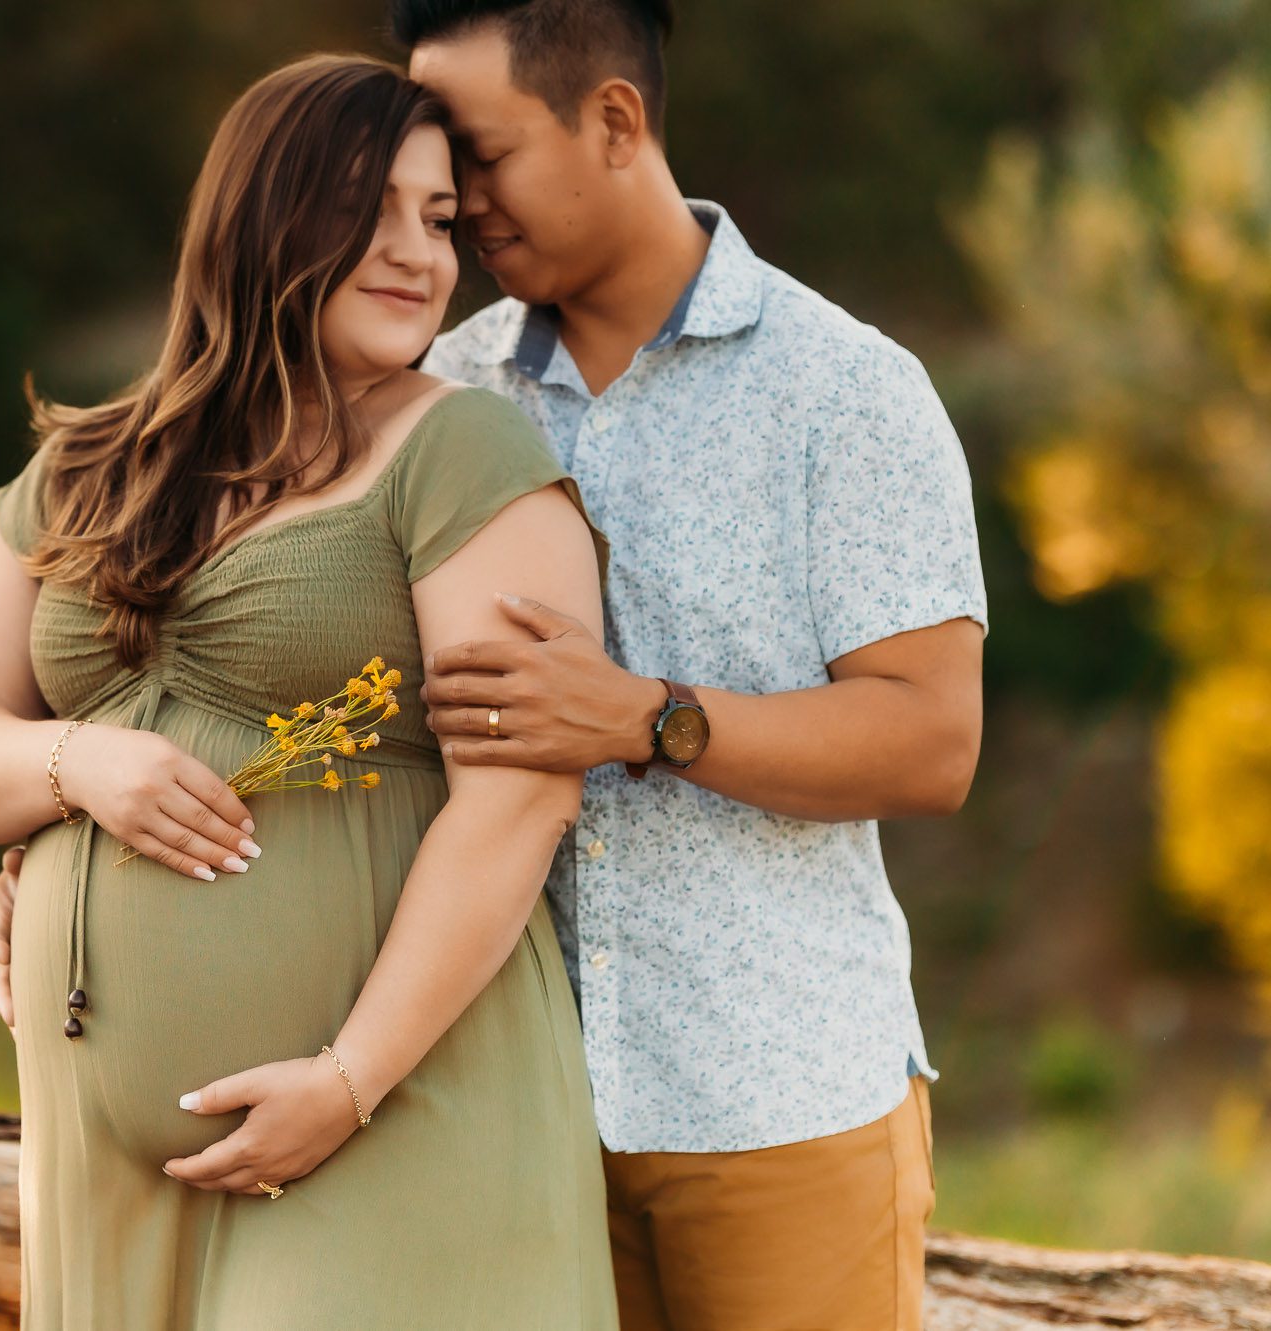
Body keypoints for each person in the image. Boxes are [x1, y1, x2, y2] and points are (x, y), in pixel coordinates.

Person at [0, 53, 619, 1330]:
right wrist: (79, 765)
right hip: (100, 1151)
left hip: (390, 1111)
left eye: (440, 220)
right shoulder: (84, 465)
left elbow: (517, 801)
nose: (419, 255)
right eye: (373, 210)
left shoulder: (463, 451)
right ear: (260, 218)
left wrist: (347, 1080)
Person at [395, 2, 987, 1329]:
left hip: (778, 1102)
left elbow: (930, 741)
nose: (455, 199)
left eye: (481, 152)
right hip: (506, 1109)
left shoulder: (849, 391)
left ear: (615, 119)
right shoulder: (438, 389)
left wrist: (643, 718)